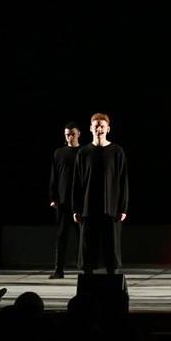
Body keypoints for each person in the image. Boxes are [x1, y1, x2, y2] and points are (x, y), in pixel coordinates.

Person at [73, 113, 129, 274]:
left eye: (102, 126)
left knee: (111, 246)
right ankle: (88, 277)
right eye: (96, 126)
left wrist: (123, 207)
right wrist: (76, 208)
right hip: (88, 207)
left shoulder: (117, 151)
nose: (99, 129)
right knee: (88, 246)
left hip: (111, 207)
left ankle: (112, 278)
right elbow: (77, 183)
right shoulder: (83, 153)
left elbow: (123, 181)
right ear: (91, 129)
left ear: (108, 129)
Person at [48, 122, 81, 279]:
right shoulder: (59, 153)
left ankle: (85, 268)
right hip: (63, 202)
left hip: (80, 202)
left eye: (72, 134)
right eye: (67, 134)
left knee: (82, 237)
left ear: (78, 134)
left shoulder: (84, 152)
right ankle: (58, 270)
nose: (70, 137)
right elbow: (54, 176)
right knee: (62, 236)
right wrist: (53, 197)